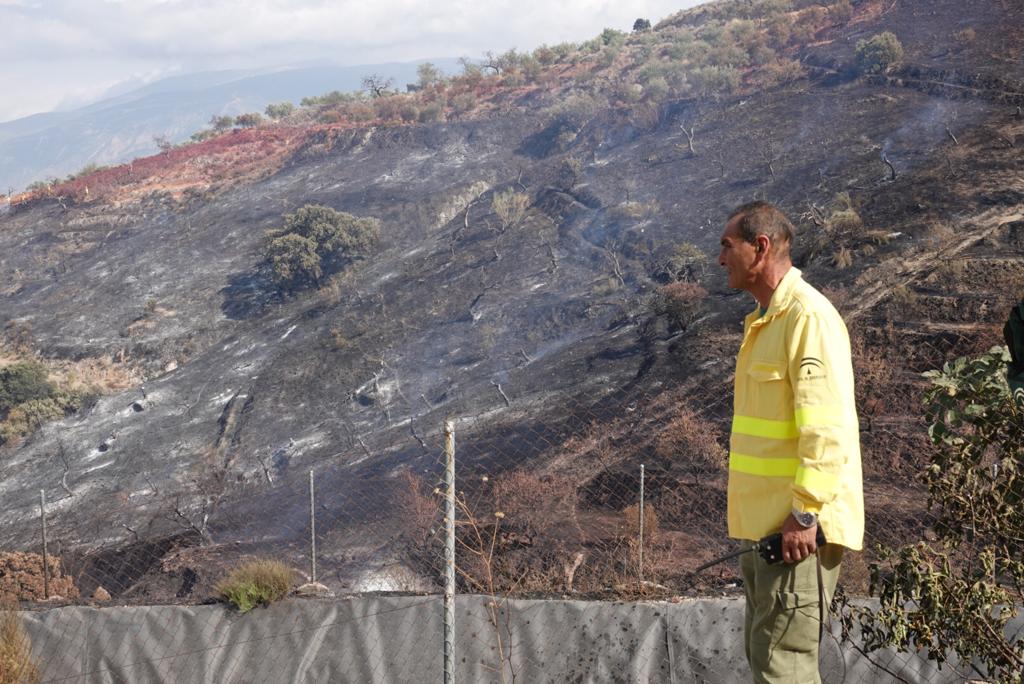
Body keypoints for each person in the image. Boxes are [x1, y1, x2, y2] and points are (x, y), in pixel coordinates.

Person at [717, 201, 864, 683]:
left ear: (759, 248)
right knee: (768, 659)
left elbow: (827, 430)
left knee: (784, 667)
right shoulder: (764, 323)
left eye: (727, 246)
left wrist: (804, 513)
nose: (720, 259)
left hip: (796, 534)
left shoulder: (808, 319)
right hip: (766, 535)